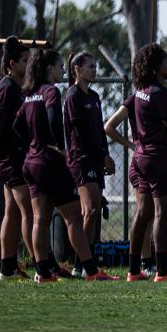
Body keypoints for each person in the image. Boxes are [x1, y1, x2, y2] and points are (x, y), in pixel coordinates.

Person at [16, 49, 117, 282]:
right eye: (60, 66)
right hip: (50, 162)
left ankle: (42, 272)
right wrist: (58, 146)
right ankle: (89, 271)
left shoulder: (30, 94)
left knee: (40, 219)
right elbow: (53, 119)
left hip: (31, 162)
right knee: (74, 217)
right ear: (48, 68)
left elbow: (16, 128)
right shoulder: (52, 91)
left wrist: (31, 147)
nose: (63, 70)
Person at [104, 43, 167, 282]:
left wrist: (132, 145)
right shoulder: (160, 94)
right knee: (162, 215)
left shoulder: (137, 94)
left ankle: (133, 270)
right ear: (156, 68)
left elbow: (109, 126)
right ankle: (162, 272)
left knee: (142, 214)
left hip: (139, 159)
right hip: (159, 159)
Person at [64, 51, 116, 278]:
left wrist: (105, 154)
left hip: (96, 157)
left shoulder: (94, 97)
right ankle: (82, 264)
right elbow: (79, 133)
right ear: (77, 69)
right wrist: (96, 154)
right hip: (81, 159)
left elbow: (100, 131)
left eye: (96, 67)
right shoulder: (72, 95)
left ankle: (85, 263)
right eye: (90, 66)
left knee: (93, 212)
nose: (94, 70)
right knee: (91, 209)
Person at [0, 37, 37, 280]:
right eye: (25, 61)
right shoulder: (7, 88)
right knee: (28, 209)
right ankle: (42, 267)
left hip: (16, 157)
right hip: (11, 159)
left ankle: (7, 267)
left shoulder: (16, 87)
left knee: (13, 211)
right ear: (11, 64)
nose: (28, 65)